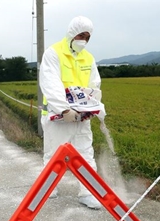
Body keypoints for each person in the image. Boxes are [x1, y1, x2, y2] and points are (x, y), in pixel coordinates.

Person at [39, 16, 103, 209]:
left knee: (85, 153)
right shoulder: (53, 53)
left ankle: (88, 192)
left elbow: (94, 84)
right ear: (72, 33)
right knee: (54, 153)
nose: (83, 40)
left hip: (81, 116)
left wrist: (93, 106)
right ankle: (48, 188)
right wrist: (63, 109)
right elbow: (50, 82)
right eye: (81, 35)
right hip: (57, 115)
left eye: (87, 37)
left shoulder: (88, 58)